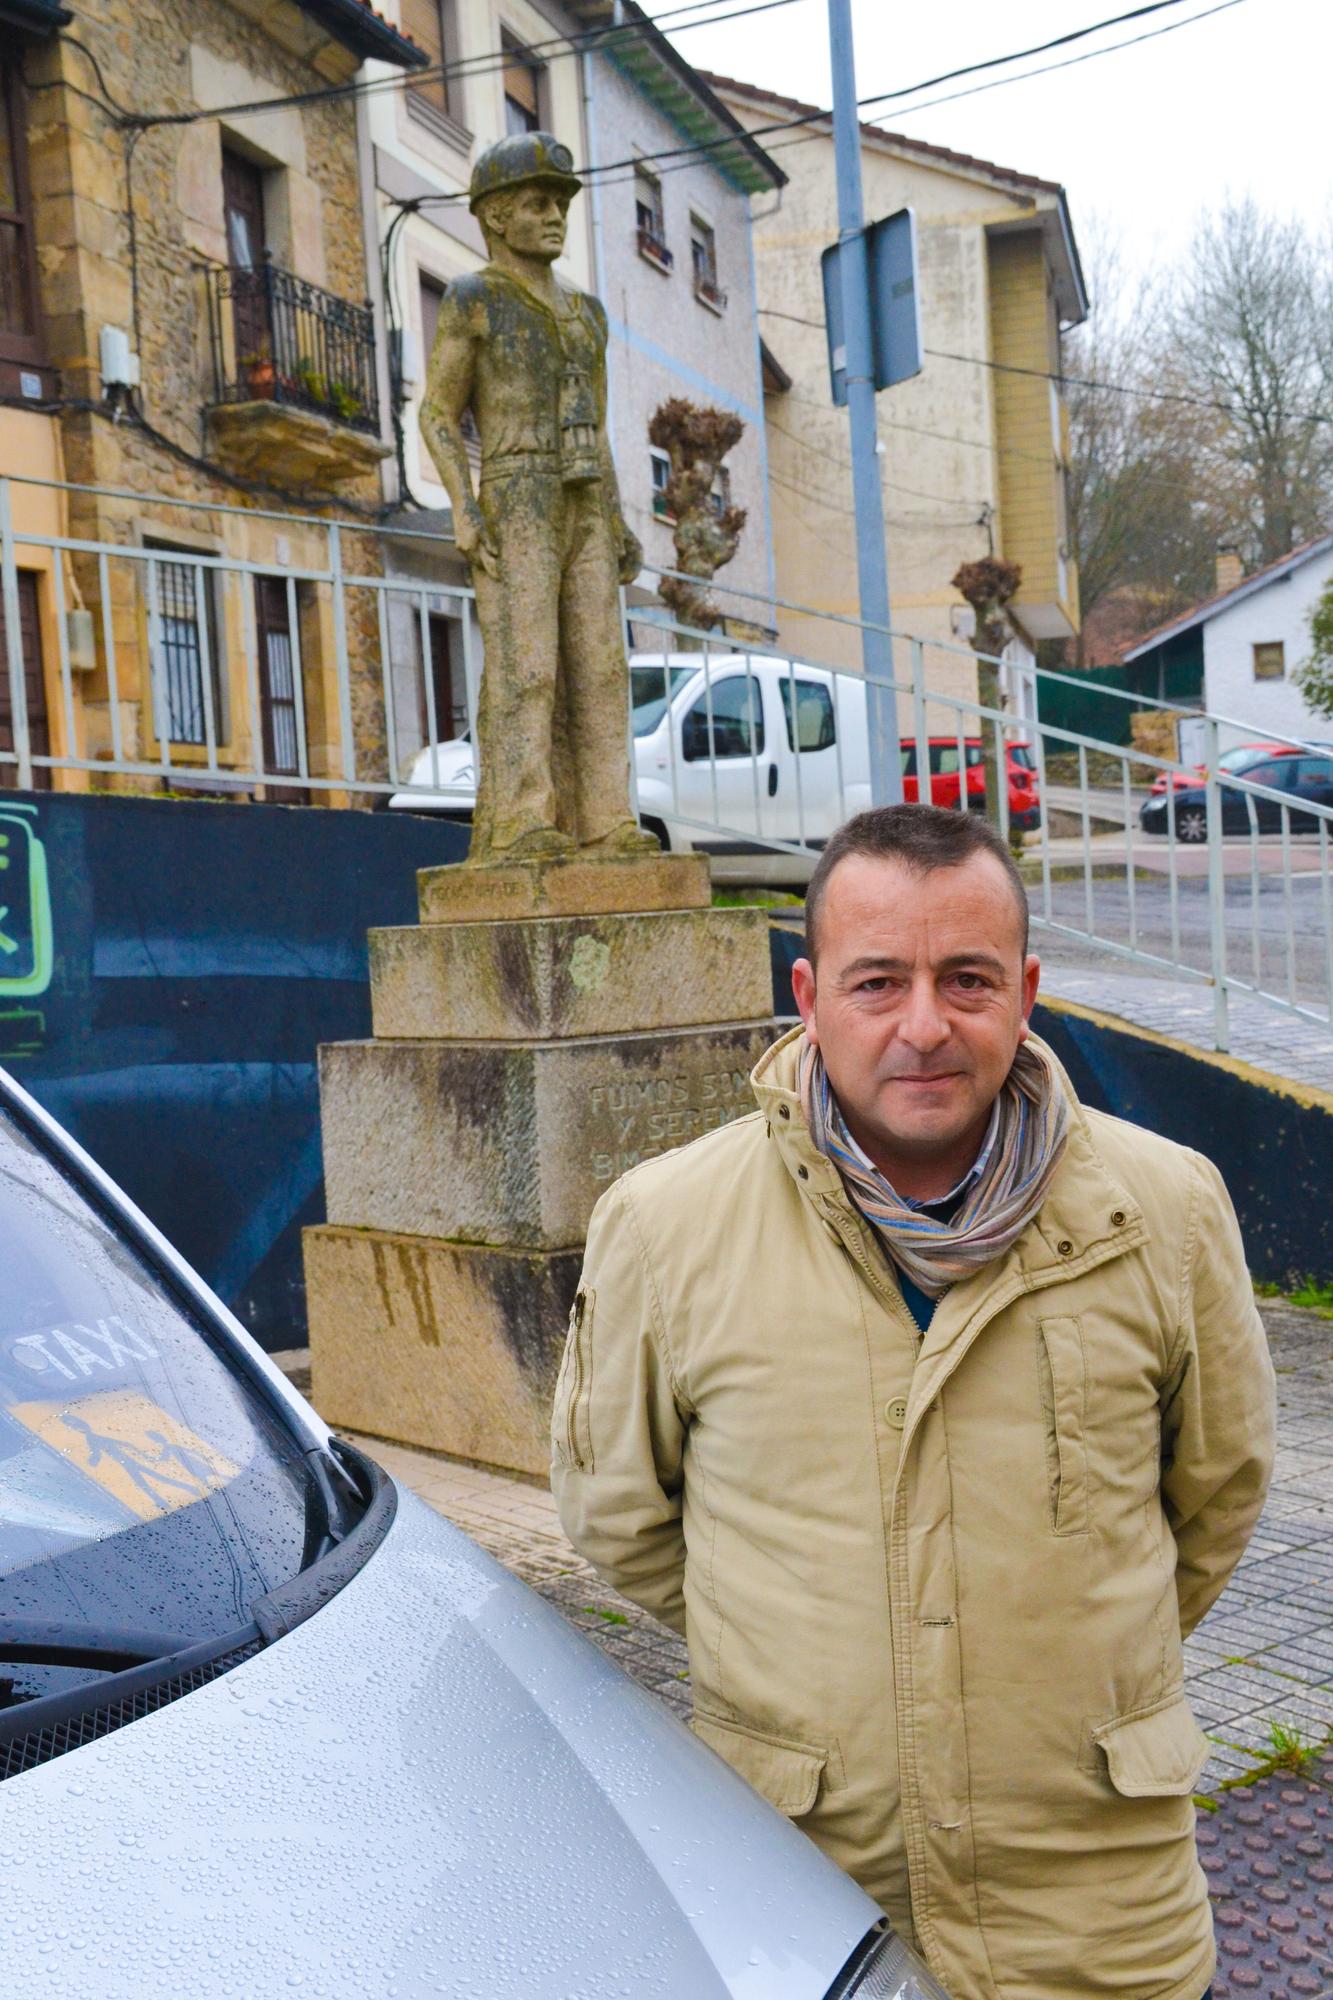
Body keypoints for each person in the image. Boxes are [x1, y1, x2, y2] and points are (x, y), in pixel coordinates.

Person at [551, 804, 1273, 2000]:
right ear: (808, 990)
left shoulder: (1168, 1207)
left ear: (1027, 989)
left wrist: (1057, 1666)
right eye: (877, 980)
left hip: (1101, 1917)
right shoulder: (664, 1225)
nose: (925, 1025)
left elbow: (1218, 1491)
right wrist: (806, 1658)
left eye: (968, 978)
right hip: (808, 1905)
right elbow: (618, 1514)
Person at [419, 131, 654, 865]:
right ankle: (522, 819)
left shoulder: (587, 313)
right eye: (535, 203)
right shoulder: (472, 298)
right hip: (516, 489)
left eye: (558, 203)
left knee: (600, 666)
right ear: (494, 216)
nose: (553, 215)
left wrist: (614, 517)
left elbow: (603, 422)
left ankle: (607, 818)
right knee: (528, 664)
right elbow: (435, 411)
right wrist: (463, 503)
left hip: (583, 494)